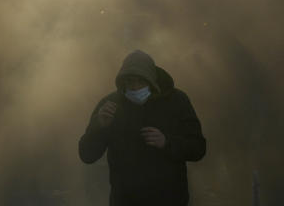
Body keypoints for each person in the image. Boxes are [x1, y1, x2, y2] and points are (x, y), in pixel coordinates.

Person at [79, 50, 206, 206]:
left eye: (141, 81)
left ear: (152, 80)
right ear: (122, 82)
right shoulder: (110, 105)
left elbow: (198, 148)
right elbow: (87, 154)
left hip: (170, 199)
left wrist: (167, 142)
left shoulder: (176, 101)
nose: (134, 87)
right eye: (129, 81)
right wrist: (100, 127)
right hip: (125, 200)